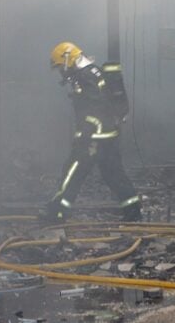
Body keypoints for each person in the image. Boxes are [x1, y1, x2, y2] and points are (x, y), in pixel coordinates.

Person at [44, 41, 141, 222]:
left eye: (60, 67)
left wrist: (86, 135)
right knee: (114, 174)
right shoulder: (93, 73)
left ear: (67, 60)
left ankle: (57, 212)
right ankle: (133, 211)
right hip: (108, 136)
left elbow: (96, 107)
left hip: (93, 139)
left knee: (72, 172)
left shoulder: (86, 77)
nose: (61, 72)